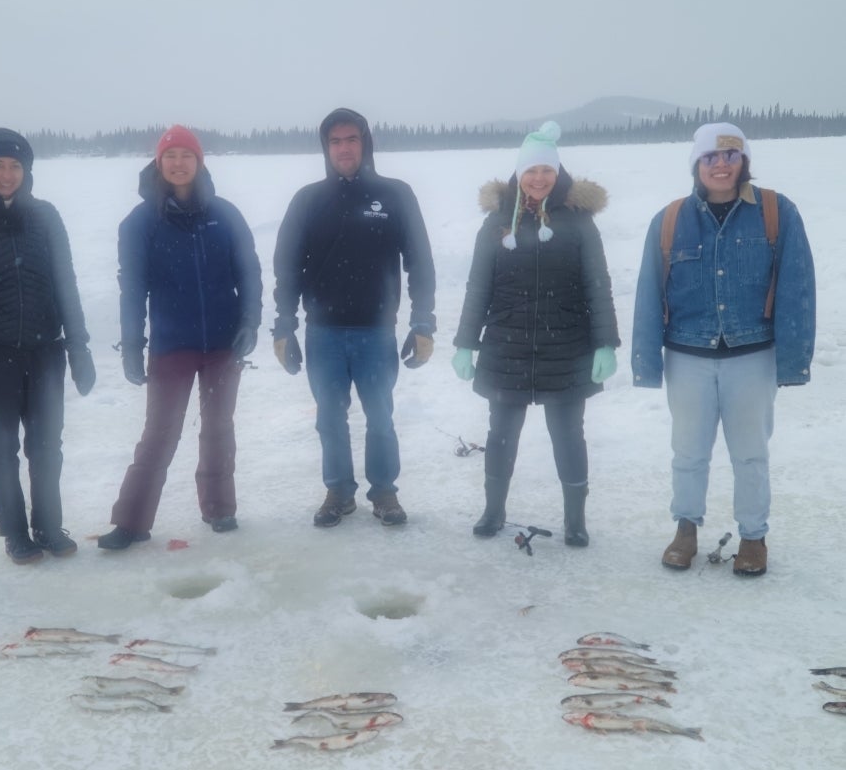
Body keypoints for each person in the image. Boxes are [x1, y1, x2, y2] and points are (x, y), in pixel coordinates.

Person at [632, 122, 816, 576]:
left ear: (743, 162)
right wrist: (646, 361)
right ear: (697, 164)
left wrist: (794, 359)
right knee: (688, 451)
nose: (720, 164)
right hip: (687, 356)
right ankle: (685, 529)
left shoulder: (777, 212)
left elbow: (797, 286)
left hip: (752, 356)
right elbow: (649, 292)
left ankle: (754, 536)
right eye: (710, 157)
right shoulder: (671, 218)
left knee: (751, 452)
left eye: (730, 156)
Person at [452, 122, 619, 547]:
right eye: (531, 171)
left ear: (558, 173)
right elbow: (478, 287)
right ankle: (493, 510)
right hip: (505, 346)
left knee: (568, 435)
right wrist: (466, 343)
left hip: (567, 347)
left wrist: (605, 342)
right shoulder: (496, 222)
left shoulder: (579, 223)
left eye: (546, 169)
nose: (539, 178)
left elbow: (597, 284)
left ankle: (575, 520)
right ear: (518, 174)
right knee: (500, 435)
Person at [98, 126, 262, 551]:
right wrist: (133, 343)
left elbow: (249, 272)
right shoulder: (140, 222)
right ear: (158, 162)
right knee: (159, 432)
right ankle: (131, 522)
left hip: (224, 343)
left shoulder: (225, 214)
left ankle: (220, 508)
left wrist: (250, 321)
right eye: (170, 156)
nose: (178, 163)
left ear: (199, 161)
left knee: (219, 428)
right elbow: (132, 288)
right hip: (171, 344)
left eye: (186, 155)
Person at [272, 107, 436, 528]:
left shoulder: (395, 194)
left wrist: (423, 321)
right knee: (329, 417)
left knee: (380, 416)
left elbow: (420, 261)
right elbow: (287, 265)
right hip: (323, 331)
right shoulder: (308, 200)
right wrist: (284, 325)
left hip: (375, 331)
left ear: (365, 143)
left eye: (351, 139)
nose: (344, 149)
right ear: (326, 148)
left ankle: (384, 492)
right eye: (335, 141)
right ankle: (339, 491)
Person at [0, 128, 96, 564]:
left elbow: (66, 283)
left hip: (46, 352)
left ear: (26, 171)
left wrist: (78, 346)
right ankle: (14, 532)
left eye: (15, 166)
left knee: (47, 445)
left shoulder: (45, 217)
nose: (7, 175)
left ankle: (48, 525)